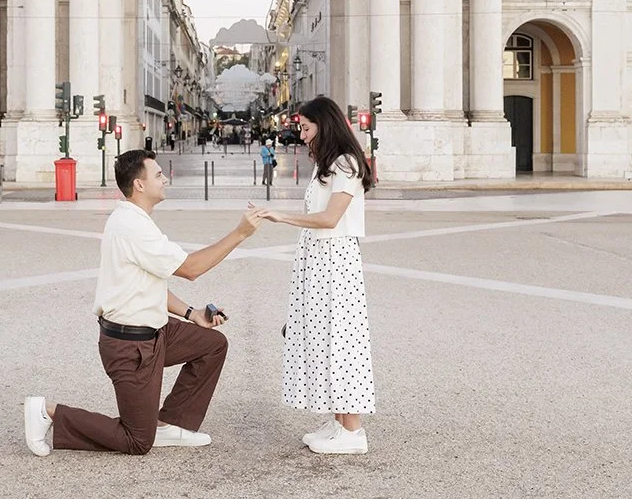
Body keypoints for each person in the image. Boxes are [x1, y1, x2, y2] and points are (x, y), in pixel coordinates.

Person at [24, 150, 265, 456]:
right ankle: (49, 411)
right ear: (139, 185)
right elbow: (190, 269)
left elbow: (150, 284)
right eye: (158, 175)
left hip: (156, 332)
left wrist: (192, 313)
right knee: (136, 440)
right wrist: (241, 232)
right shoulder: (132, 226)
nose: (165, 179)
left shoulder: (136, 219)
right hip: (130, 346)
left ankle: (169, 424)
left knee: (212, 345)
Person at [258, 96, 376, 455]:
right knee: (323, 334)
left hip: (335, 259)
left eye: (307, 128)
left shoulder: (347, 163)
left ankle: (353, 431)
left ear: (324, 125)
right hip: (318, 259)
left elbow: (329, 219)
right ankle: (340, 420)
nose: (303, 135)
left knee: (341, 337)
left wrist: (280, 216)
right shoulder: (328, 163)